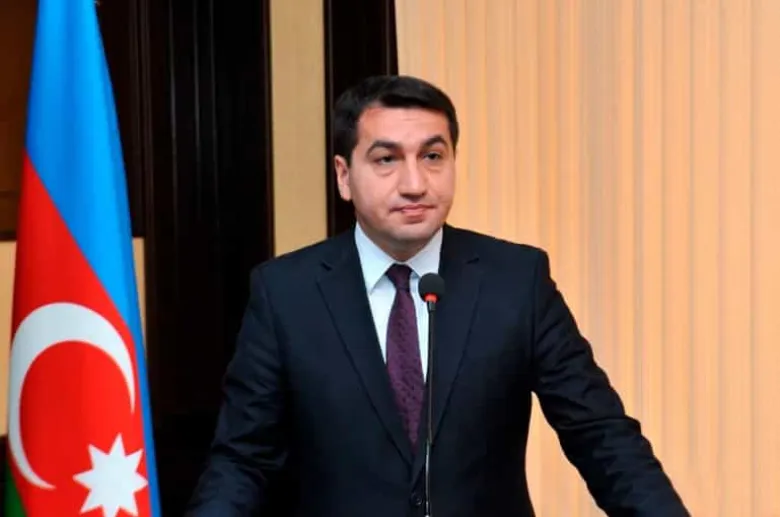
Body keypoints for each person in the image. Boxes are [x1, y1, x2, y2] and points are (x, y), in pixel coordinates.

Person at [186, 75, 689, 517]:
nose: (414, 184)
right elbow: (244, 461)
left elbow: (600, 434)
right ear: (344, 175)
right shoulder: (285, 293)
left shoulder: (516, 280)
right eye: (386, 159)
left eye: (432, 156)